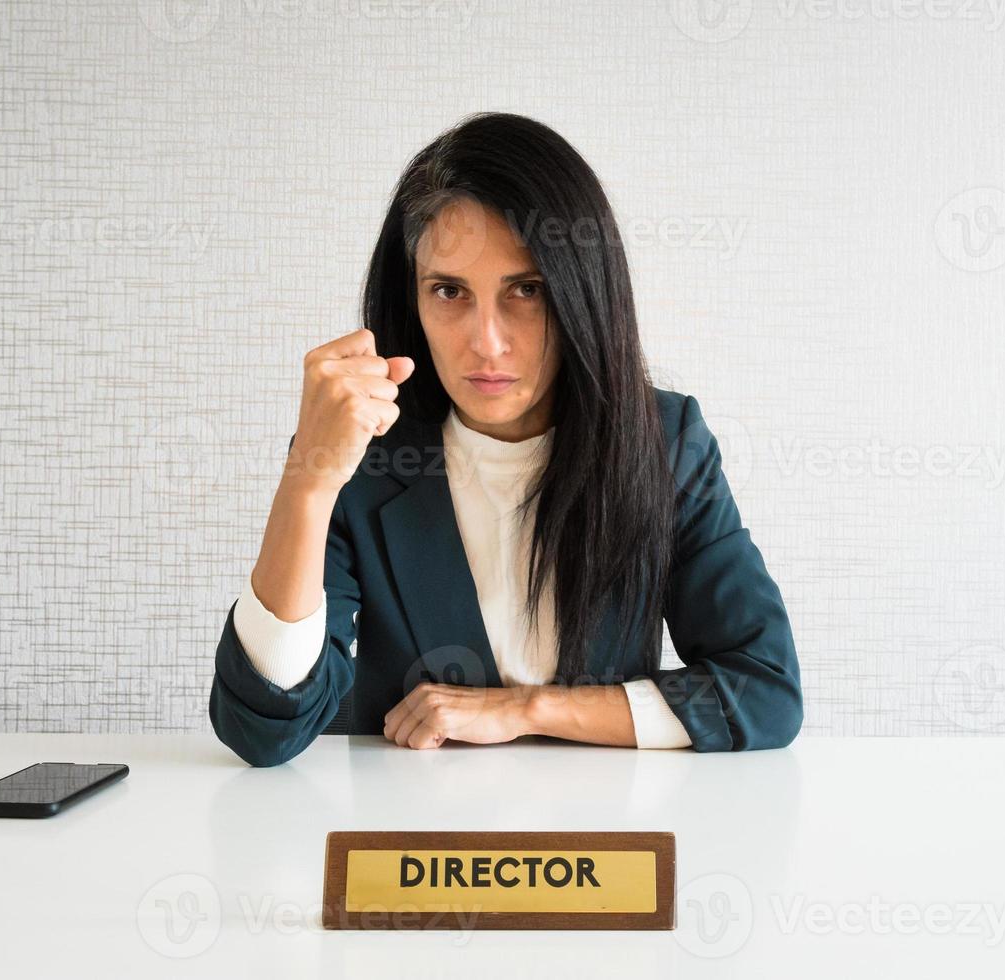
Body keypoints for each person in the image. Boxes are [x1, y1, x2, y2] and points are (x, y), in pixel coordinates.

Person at [209, 111, 801, 767]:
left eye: (526, 289)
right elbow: (264, 731)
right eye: (449, 291)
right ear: (413, 300)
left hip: (601, 841)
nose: (487, 342)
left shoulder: (664, 440)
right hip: (408, 842)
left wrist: (527, 709)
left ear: (582, 292)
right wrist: (309, 479)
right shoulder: (367, 454)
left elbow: (764, 691)